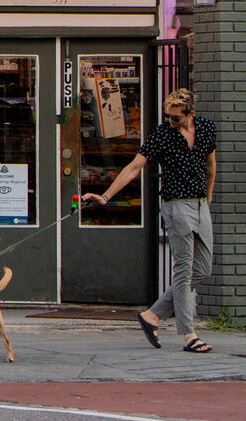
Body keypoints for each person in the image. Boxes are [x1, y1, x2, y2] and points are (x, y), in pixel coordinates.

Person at [85, 86, 216, 353]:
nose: (170, 120)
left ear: (190, 113)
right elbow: (134, 167)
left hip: (201, 205)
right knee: (183, 269)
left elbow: (211, 165)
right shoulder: (162, 135)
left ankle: (152, 315)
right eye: (167, 115)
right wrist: (105, 195)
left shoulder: (206, 128)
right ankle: (188, 334)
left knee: (202, 269)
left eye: (176, 117)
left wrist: (208, 198)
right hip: (176, 207)